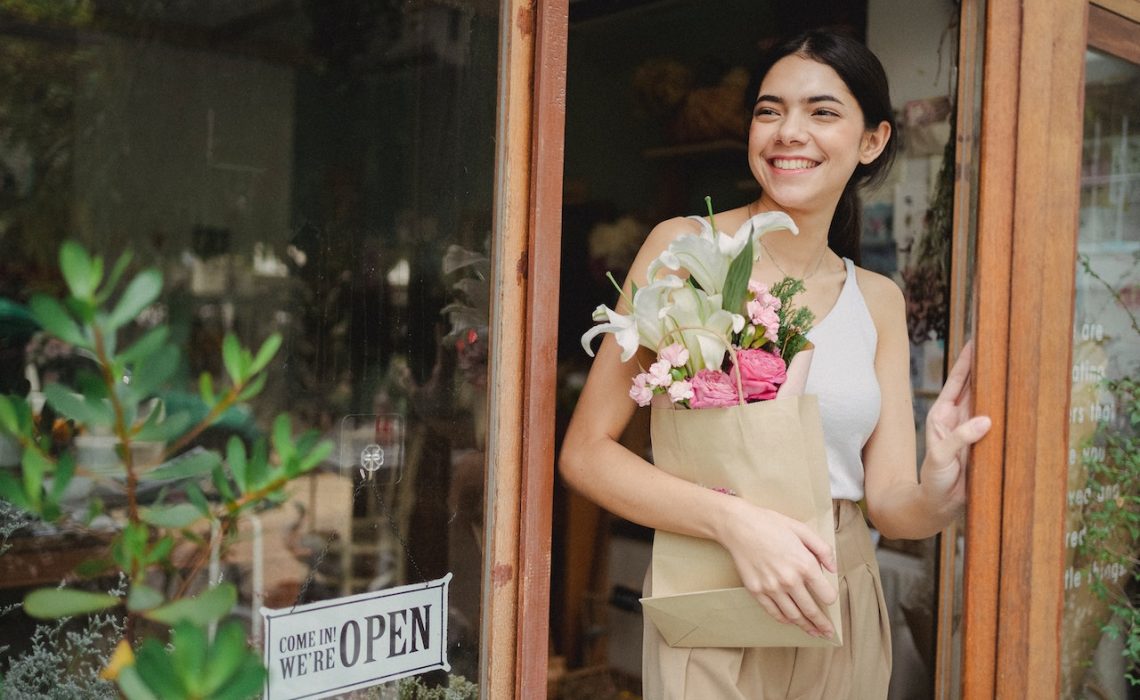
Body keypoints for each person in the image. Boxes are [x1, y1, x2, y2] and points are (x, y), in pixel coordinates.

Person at [559, 30, 993, 700]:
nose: (789, 132)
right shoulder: (684, 250)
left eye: (822, 112)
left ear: (872, 140)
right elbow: (585, 453)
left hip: (838, 591)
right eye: (769, 110)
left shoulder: (878, 301)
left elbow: (890, 506)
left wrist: (937, 490)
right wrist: (736, 523)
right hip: (713, 583)